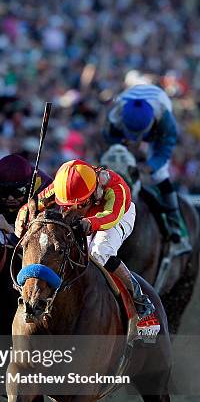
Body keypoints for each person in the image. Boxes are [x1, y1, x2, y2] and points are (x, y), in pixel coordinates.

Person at [16, 159, 160, 335]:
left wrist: (91, 222)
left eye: (81, 204)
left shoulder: (117, 188)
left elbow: (111, 216)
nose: (74, 208)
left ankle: (140, 301)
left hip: (117, 216)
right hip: (88, 218)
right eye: (68, 205)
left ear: (94, 191)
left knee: (99, 253)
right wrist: (22, 216)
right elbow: (32, 204)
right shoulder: (62, 186)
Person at [104, 83, 190, 255]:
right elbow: (109, 139)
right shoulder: (115, 115)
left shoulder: (166, 120)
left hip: (157, 107)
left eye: (139, 136)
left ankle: (176, 229)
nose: (136, 141)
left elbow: (164, 150)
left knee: (160, 175)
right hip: (131, 101)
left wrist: (150, 167)